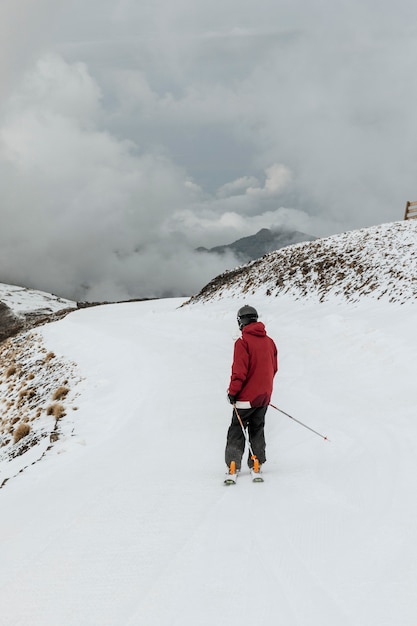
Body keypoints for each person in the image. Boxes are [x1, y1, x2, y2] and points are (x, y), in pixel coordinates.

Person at [225, 305, 278, 474]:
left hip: (245, 399)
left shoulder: (243, 343)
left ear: (242, 321)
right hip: (263, 397)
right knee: (257, 428)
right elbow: (273, 368)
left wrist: (232, 393)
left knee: (237, 429)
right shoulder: (270, 342)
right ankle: (257, 462)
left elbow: (239, 372)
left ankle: (233, 463)